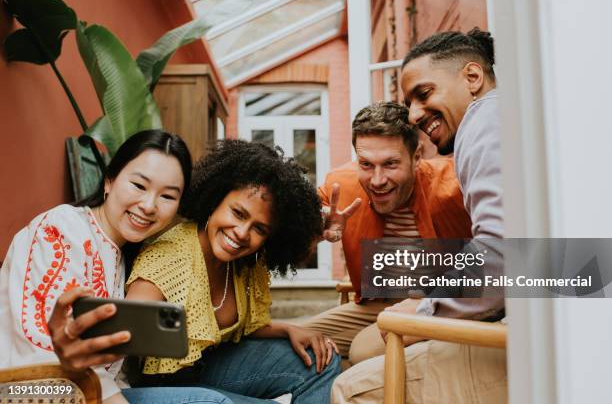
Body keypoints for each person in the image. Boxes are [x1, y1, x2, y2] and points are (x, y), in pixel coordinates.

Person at [331, 28, 507, 404]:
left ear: (472, 78)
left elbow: (500, 258)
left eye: (424, 94)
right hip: (389, 303)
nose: (413, 114)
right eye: (367, 164)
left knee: (351, 386)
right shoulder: (340, 185)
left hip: (515, 317)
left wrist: (427, 307)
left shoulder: (481, 126)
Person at [0, 130, 235, 403]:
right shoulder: (62, 228)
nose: (148, 205)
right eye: (139, 185)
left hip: (90, 389)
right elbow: (45, 354)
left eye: (168, 197)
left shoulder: (124, 258)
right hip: (25, 389)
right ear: (110, 180)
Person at [120, 140, 341, 403]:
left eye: (259, 228)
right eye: (238, 213)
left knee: (322, 358)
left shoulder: (244, 261)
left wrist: (288, 329)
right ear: (215, 199)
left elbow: (236, 328)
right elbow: (124, 333)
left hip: (207, 368)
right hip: (158, 386)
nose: (242, 233)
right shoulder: (169, 258)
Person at [303, 101, 472, 365]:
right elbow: (295, 224)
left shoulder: (454, 184)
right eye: (366, 164)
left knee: (362, 350)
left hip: (444, 302)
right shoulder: (341, 186)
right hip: (377, 303)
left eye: (391, 164)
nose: (377, 180)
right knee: (301, 340)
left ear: (416, 157)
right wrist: (316, 228)